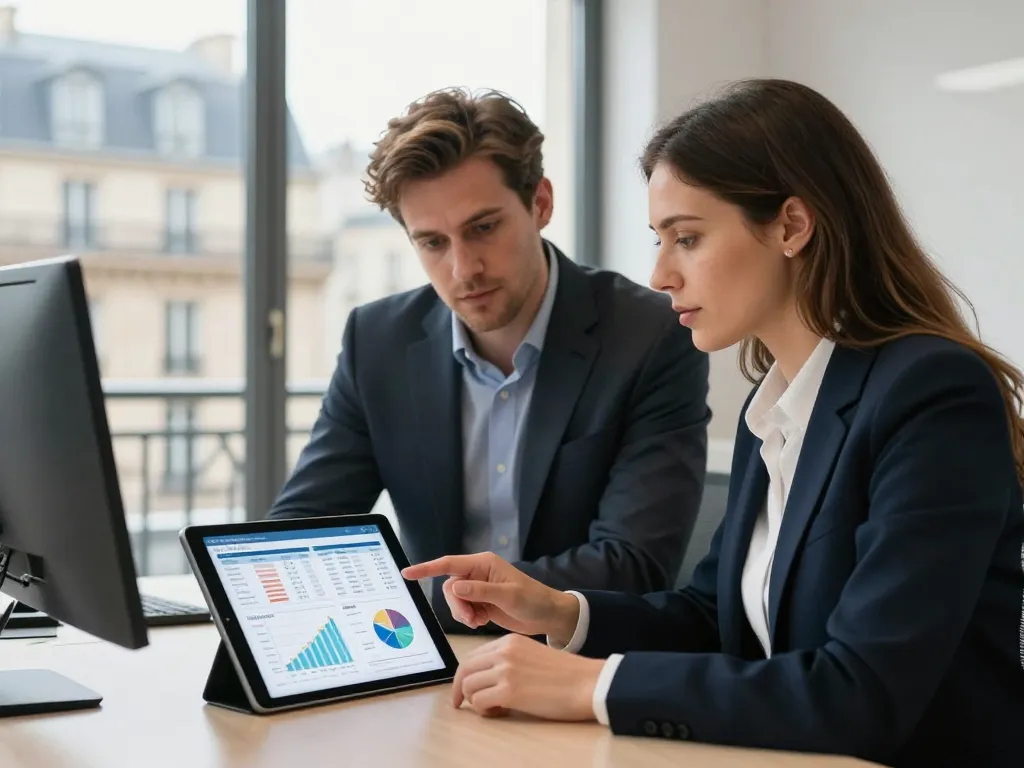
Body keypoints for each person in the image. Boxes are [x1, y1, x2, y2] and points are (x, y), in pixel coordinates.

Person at [402, 78, 1024, 767]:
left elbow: (861, 692)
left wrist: (595, 685)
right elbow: (713, 618)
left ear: (791, 226)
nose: (661, 274)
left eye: (687, 239)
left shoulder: (931, 395)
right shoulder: (783, 402)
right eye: (659, 240)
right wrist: (561, 612)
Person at [268, 88, 711, 630]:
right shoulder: (377, 340)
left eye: (483, 228)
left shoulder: (648, 335)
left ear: (540, 204)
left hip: (571, 664)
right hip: (432, 663)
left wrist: (412, 610)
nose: (463, 269)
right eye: (432, 242)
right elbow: (298, 538)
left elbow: (633, 566)